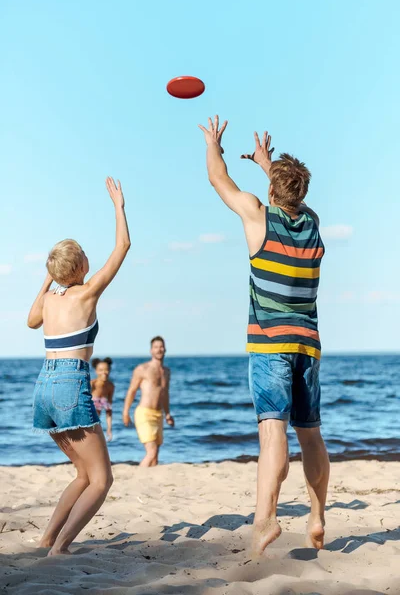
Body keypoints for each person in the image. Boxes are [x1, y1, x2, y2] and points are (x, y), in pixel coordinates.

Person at [199, 117, 330, 556]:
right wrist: (269, 164)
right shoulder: (312, 225)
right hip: (307, 346)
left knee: (273, 432)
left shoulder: (259, 217)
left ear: (273, 191)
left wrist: (213, 143)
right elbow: (292, 198)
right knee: (310, 434)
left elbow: (218, 178)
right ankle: (316, 517)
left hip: (270, 344)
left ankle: (265, 520)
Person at [27, 177, 130, 555]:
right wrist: (119, 206)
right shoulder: (87, 292)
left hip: (44, 386)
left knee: (84, 474)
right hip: (70, 383)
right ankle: (60, 549)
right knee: (102, 480)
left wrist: (48, 276)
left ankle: (47, 539)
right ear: (83, 264)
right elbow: (123, 246)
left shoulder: (50, 301)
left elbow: (31, 321)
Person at [122, 336, 174, 467]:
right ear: (151, 350)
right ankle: (138, 477)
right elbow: (132, 391)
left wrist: (167, 414)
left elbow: (165, 394)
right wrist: (125, 412)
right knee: (151, 452)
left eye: (161, 347)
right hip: (144, 413)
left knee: (155, 457)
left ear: (165, 349)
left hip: (158, 414)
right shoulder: (142, 369)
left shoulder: (166, 372)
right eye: (156, 347)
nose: (159, 350)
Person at [91, 357, 114, 442]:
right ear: (96, 371)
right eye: (100, 370)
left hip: (96, 425)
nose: (104, 372)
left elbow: (109, 411)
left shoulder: (110, 386)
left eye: (107, 369)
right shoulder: (92, 384)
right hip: (86, 423)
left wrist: (109, 429)